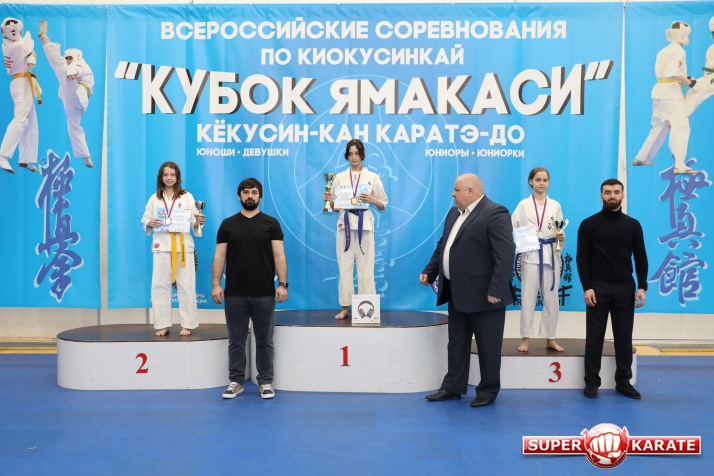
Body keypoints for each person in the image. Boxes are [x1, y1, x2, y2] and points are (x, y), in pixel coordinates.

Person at [420, 174, 515, 408]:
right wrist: (430, 270)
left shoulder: (495, 212)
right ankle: (452, 387)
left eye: (456, 190)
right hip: (457, 292)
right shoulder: (454, 213)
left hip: (486, 296)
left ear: (470, 192)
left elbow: (505, 254)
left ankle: (488, 390)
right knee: (457, 343)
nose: (452, 194)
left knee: (488, 346)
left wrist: (497, 289)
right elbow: (444, 245)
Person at [212, 178, 288, 400]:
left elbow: (279, 255)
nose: (250, 196)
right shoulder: (227, 224)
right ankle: (236, 381)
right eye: (246, 192)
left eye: (254, 192)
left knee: (264, 341)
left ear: (260, 196)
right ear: (239, 196)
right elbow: (219, 256)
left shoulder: (271, 223)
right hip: (234, 293)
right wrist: (216, 284)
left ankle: (265, 382)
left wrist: (283, 284)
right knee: (236, 341)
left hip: (264, 293)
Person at [576, 179, 648, 400]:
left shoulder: (633, 225)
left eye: (616, 192)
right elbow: (581, 259)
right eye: (607, 192)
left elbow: (641, 257)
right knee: (595, 336)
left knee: (624, 337)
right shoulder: (589, 224)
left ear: (623, 196)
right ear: (601, 197)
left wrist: (642, 286)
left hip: (625, 286)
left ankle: (623, 382)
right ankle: (591, 382)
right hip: (597, 287)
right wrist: (587, 287)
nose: (612, 196)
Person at [322, 139, 388, 320]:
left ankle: (367, 310)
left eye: (357, 153)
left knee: (366, 267)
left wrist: (373, 200)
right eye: (350, 154)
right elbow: (335, 206)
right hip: (344, 225)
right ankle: (345, 308)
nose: (353, 157)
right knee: (344, 267)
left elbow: (383, 205)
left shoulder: (372, 177)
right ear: (347, 156)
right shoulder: (340, 177)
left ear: (363, 154)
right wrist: (329, 200)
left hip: (364, 225)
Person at [141, 161, 204, 337]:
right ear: (161, 177)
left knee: (187, 285)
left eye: (172, 175)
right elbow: (145, 219)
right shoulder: (155, 198)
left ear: (178, 177)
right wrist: (150, 222)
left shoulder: (187, 197)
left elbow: (193, 221)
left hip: (183, 245)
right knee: (159, 285)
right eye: (166, 175)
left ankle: (188, 324)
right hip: (161, 246)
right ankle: (162, 324)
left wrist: (198, 222)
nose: (169, 178)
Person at [632, 21, 699, 175]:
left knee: (659, 126)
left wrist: (685, 79)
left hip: (659, 91)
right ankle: (680, 165)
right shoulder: (679, 51)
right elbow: (673, 71)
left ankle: (641, 158)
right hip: (671, 94)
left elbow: (670, 72)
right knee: (681, 127)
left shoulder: (663, 51)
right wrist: (690, 83)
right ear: (683, 35)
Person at [511, 167, 565, 353]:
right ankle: (525, 339)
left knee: (552, 299)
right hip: (531, 255)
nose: (542, 183)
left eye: (545, 180)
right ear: (530, 182)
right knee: (528, 297)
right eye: (538, 180)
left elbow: (559, 230)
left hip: (551, 255)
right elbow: (514, 229)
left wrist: (560, 238)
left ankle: (550, 338)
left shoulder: (555, 205)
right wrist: (526, 239)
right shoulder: (523, 205)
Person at [37, 20, 94, 168]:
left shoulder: (81, 65)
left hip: (78, 93)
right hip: (71, 103)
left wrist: (72, 71)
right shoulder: (68, 69)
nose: (68, 60)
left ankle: (44, 38)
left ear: (77, 57)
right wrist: (70, 71)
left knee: (59, 67)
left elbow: (77, 67)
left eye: (70, 58)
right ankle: (86, 157)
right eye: (67, 58)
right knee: (73, 128)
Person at [0, 17, 40, 174]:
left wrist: (32, 55)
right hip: (22, 83)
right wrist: (29, 35)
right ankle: (3, 155)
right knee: (21, 120)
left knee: (30, 122)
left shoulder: (8, 44)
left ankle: (26, 158)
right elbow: (29, 45)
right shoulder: (17, 46)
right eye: (20, 31)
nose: (22, 33)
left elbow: (31, 51)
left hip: (23, 82)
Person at [685, 16, 714, 117]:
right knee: (697, 86)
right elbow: (706, 70)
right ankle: (682, 114)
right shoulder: (711, 49)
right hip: (713, 78)